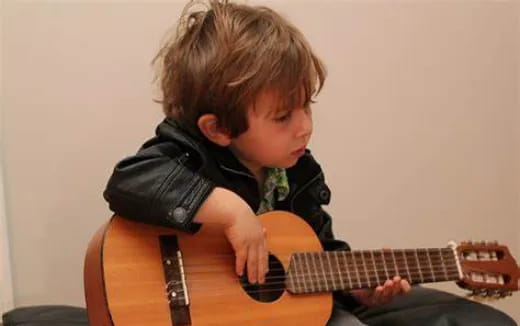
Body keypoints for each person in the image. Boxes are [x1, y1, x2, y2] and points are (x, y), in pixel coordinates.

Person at [103, 1, 516, 325]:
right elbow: (127, 181)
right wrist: (228, 210)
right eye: (283, 117)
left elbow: (316, 251)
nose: (304, 127)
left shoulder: (297, 173)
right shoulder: (189, 152)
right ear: (218, 130)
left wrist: (362, 289)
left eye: (306, 107)